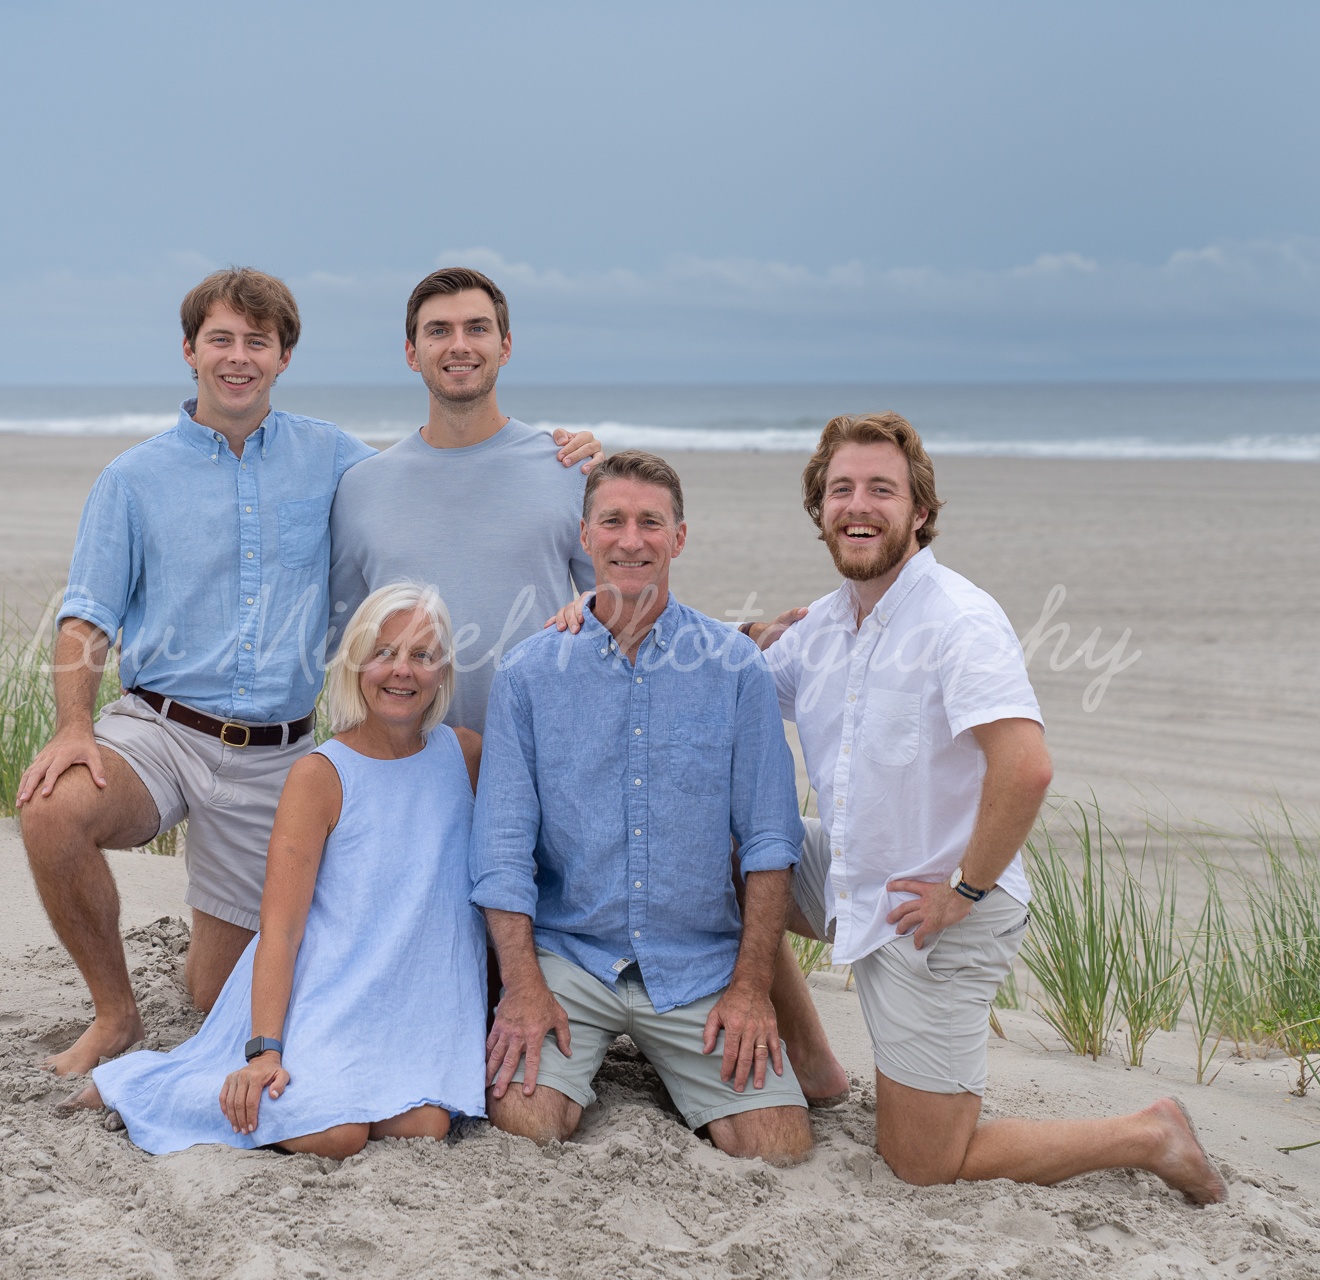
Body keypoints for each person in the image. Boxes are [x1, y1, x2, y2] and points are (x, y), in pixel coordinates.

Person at [15, 268, 599, 1076]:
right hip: (160, 727)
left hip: (273, 754)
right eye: (221, 339)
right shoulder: (134, 478)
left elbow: (443, 479)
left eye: (257, 341)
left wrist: (574, 453)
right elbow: (85, 615)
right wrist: (74, 727)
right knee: (53, 810)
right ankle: (115, 1015)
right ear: (189, 350)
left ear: (283, 356)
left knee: (216, 991)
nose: (238, 357)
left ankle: (205, 943)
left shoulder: (337, 461)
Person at [749, 410, 1226, 1202]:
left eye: (881, 489)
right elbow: (727, 681)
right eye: (841, 489)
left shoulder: (957, 619)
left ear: (920, 512)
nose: (858, 505)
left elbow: (1026, 767)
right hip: (855, 873)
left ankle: (1151, 1134)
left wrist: (962, 890)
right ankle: (810, 1063)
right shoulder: (825, 625)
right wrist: (608, 610)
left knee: (924, 1162)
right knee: (726, 851)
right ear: (820, 510)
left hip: (934, 914)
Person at [470, 450, 819, 1164]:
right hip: (574, 956)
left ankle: (682, 1066)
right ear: (585, 535)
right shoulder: (529, 674)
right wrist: (525, 988)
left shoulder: (735, 669)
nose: (631, 540)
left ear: (678, 538)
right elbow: (502, 852)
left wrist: (752, 989)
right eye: (613, 521)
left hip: (698, 963)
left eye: (650, 523)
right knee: (525, 1122)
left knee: (778, 1147)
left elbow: (770, 842)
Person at [61, 584, 488, 1157]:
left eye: (421, 655)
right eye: (383, 652)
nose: (401, 671)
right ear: (354, 663)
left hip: (402, 1007)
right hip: (323, 995)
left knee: (429, 1123)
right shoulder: (321, 775)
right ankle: (143, 1088)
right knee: (338, 1134)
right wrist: (265, 1051)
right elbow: (280, 929)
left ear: (444, 670)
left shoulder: (464, 756)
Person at [329, 266, 596, 731]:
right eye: (438, 331)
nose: (459, 345)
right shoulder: (361, 487)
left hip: (539, 747)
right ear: (412, 353)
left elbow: (616, 610)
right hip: (408, 754)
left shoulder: (569, 469)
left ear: (505, 347)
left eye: (477, 328)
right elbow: (344, 645)